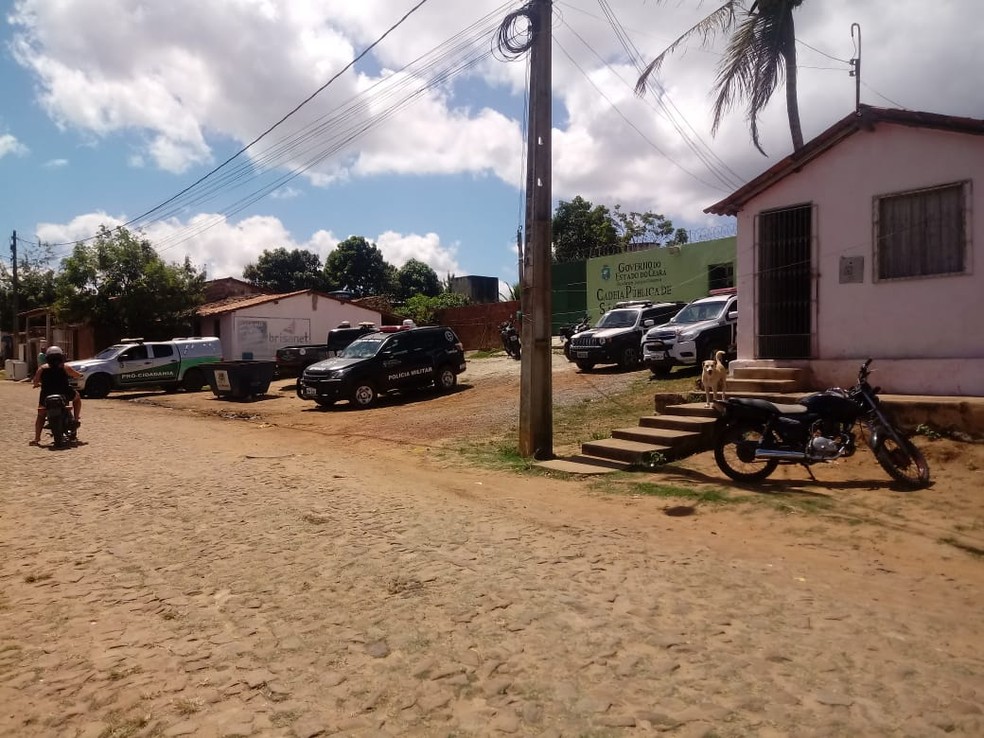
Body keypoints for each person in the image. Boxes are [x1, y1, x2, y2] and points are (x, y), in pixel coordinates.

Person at [31, 345, 83, 446]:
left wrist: (37, 384)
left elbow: (35, 381)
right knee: (77, 398)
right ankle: (76, 419)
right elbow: (76, 374)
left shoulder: (42, 368)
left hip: (46, 395)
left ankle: (37, 439)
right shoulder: (65, 367)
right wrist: (80, 375)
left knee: (41, 415)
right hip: (65, 393)